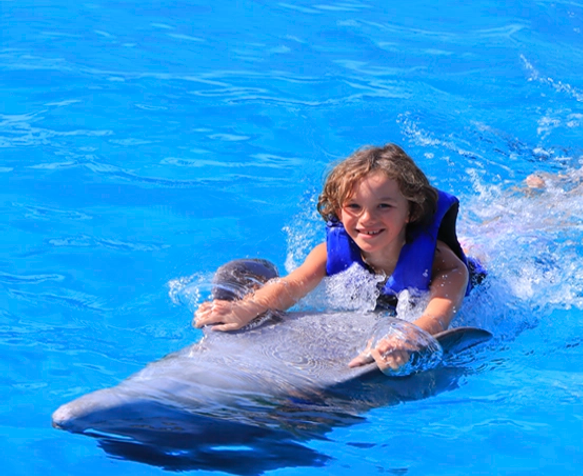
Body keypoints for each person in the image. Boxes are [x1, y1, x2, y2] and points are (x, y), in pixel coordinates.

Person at [193, 144, 484, 372]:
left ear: (410, 212)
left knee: (492, 232)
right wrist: (248, 307)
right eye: (354, 206)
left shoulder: (444, 267)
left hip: (478, 268)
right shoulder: (330, 253)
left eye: (384, 205)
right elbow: (289, 286)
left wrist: (406, 339)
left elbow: (436, 316)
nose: (367, 219)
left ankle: (526, 191)